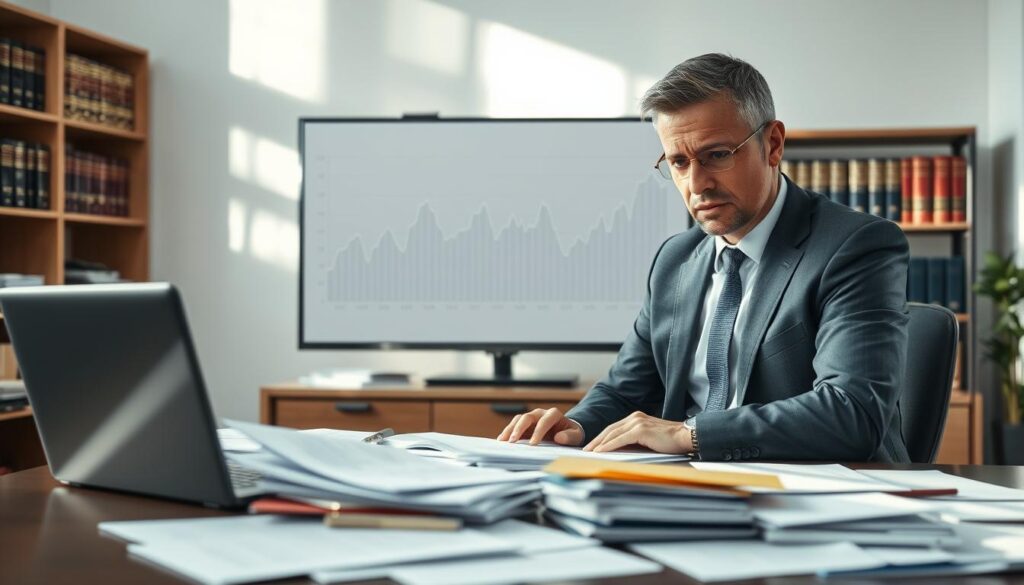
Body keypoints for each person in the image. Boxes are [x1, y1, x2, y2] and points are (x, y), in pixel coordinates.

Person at [497, 53, 911, 462]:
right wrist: (577, 426)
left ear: (773, 144)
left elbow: (852, 414)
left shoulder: (856, 246)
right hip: (694, 491)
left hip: (819, 498)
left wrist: (689, 434)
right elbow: (626, 389)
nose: (697, 184)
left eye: (717, 155)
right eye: (678, 162)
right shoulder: (676, 259)